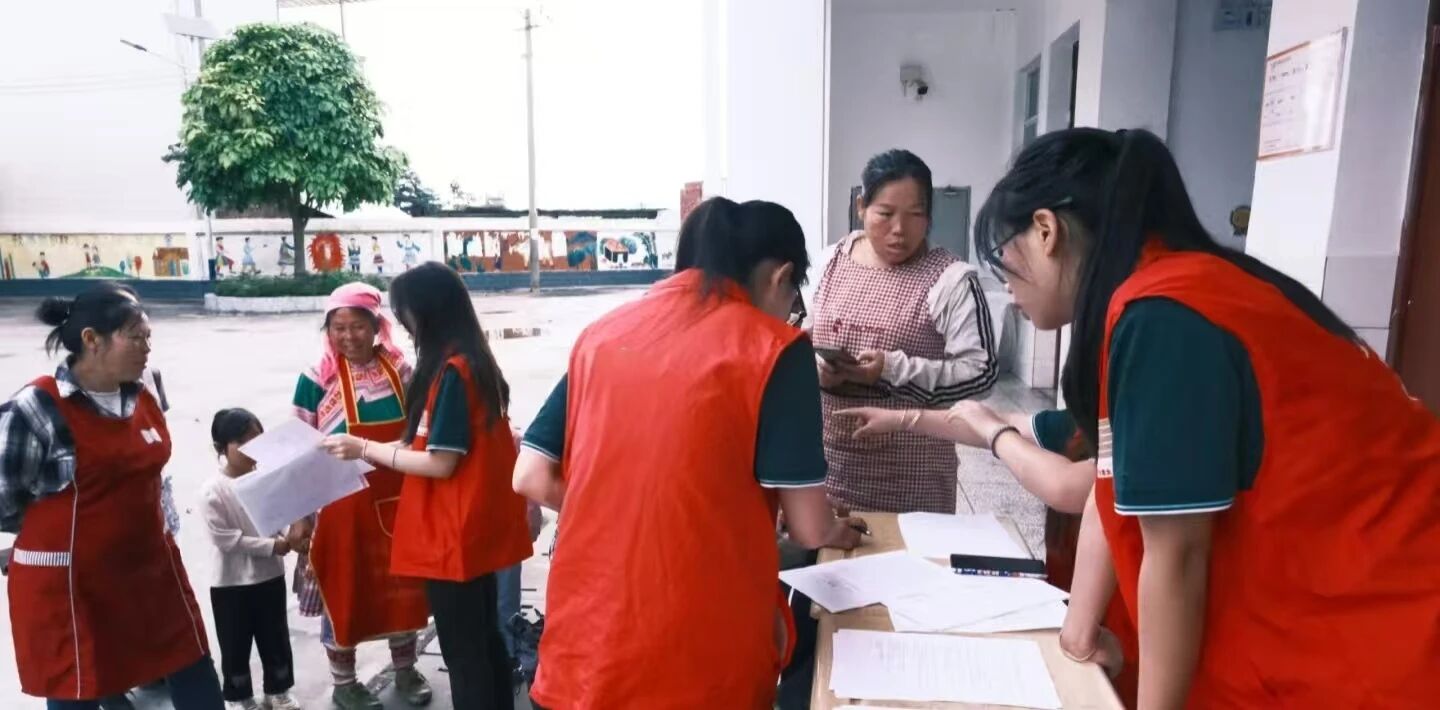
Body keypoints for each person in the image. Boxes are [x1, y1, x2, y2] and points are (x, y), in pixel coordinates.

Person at [974, 127, 1440, 706]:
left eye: (1003, 256)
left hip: (1392, 626)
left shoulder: (1163, 316)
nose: (1007, 283)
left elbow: (1178, 555)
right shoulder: (1184, 289)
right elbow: (1109, 484)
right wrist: (1081, 632)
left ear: (1045, 231)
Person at [512, 197, 867, 709]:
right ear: (782, 277)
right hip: (693, 660)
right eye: (795, 299)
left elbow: (530, 475)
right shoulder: (775, 348)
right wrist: (836, 531)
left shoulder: (602, 335)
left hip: (583, 650)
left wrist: (637, 516)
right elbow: (810, 528)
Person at [0, 282, 225, 709]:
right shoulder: (35, 408)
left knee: (194, 670)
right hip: (73, 588)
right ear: (92, 340)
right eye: (136, 337)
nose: (147, 349)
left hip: (151, 573)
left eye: (149, 337)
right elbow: (4, 500)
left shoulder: (147, 387)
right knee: (79, 688)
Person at [322, 262, 533, 710]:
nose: (402, 324)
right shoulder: (470, 361)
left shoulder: (454, 371)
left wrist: (364, 447)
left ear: (429, 312)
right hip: (473, 531)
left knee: (465, 654)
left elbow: (440, 462)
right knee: (485, 641)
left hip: (453, 537)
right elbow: (428, 442)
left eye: (405, 314)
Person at [813, 149, 999, 515]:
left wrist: (891, 369)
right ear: (861, 206)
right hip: (831, 469)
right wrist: (816, 370)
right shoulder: (830, 262)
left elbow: (982, 374)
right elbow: (802, 334)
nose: (899, 230)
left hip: (913, 477)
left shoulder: (952, 280)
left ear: (929, 216)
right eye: (885, 214)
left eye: (915, 215)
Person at [288, 283, 431, 710]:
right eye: (338, 328)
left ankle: (406, 669)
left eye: (357, 327)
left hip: (398, 501)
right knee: (343, 591)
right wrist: (300, 514)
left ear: (377, 327)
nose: (348, 336)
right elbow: (297, 449)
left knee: (403, 590)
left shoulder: (401, 370)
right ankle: (344, 683)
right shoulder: (316, 379)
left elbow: (421, 431)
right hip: (340, 508)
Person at [202, 409, 301, 710]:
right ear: (221, 448)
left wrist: (294, 535)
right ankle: (240, 697)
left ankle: (278, 690)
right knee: (235, 643)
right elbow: (226, 539)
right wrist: (273, 546)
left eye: (257, 439)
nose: (252, 448)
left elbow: (280, 516)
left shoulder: (266, 479)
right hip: (231, 584)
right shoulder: (213, 492)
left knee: (275, 638)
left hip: (269, 576)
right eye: (242, 442)